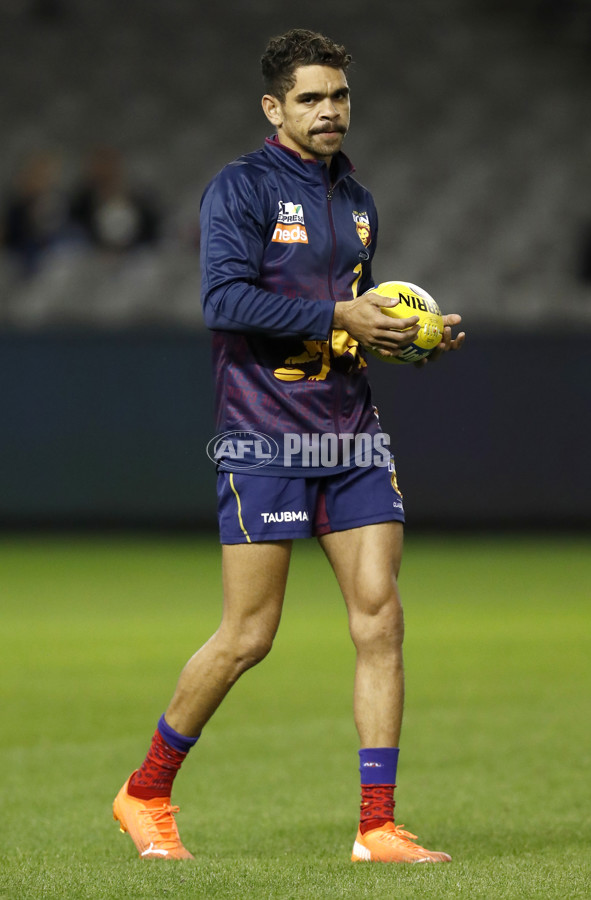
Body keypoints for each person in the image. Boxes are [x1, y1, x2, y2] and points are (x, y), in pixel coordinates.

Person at [113, 28, 465, 864]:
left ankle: (376, 825)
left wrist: (404, 336)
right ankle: (145, 790)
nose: (329, 110)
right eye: (310, 97)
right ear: (275, 107)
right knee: (248, 636)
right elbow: (223, 301)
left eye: (339, 95)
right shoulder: (239, 189)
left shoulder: (359, 202)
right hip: (264, 438)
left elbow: (345, 313)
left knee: (380, 618)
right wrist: (340, 316)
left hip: (352, 435)